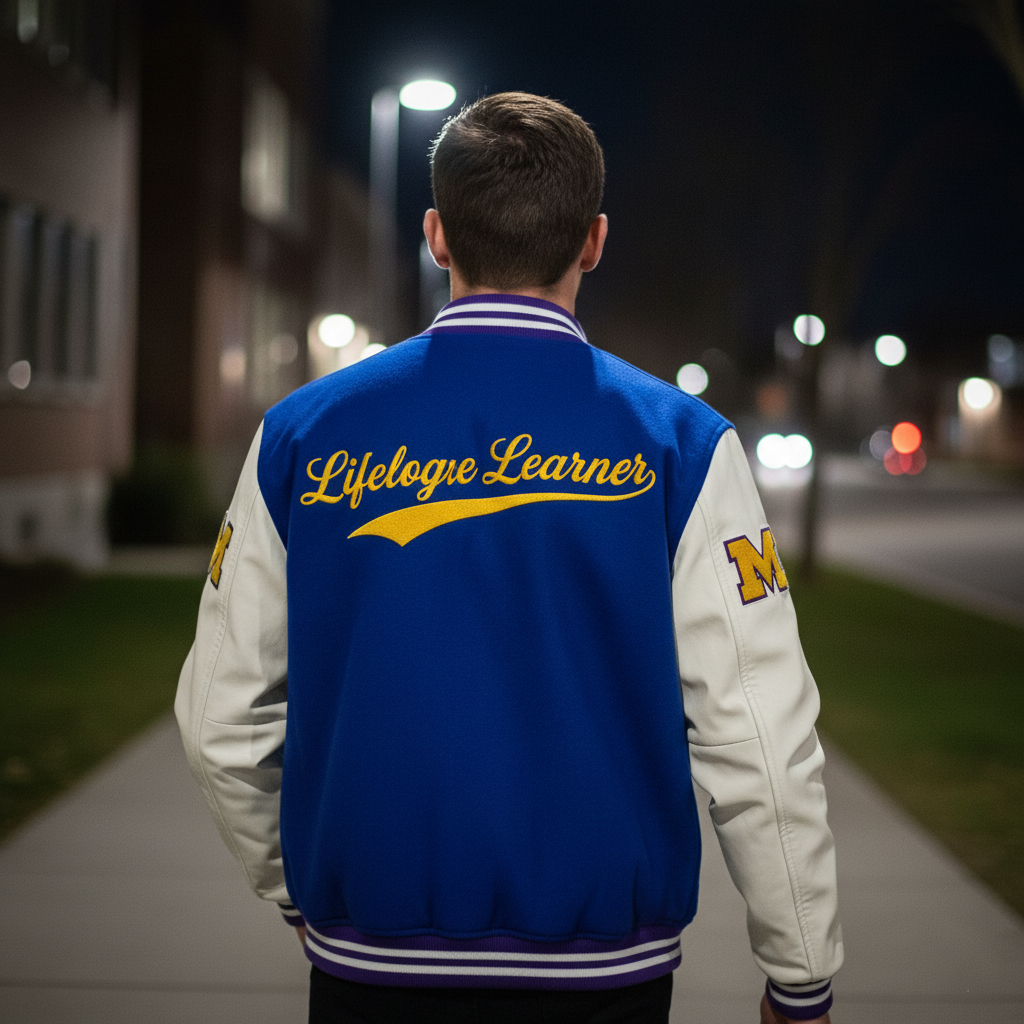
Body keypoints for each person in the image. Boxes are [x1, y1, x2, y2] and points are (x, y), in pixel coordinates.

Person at [176, 92, 842, 1024]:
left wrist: (300, 886)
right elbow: (759, 734)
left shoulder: (301, 433)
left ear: (436, 236)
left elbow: (220, 720)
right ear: (595, 240)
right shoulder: (680, 442)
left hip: (372, 963)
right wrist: (799, 968)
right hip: (606, 975)